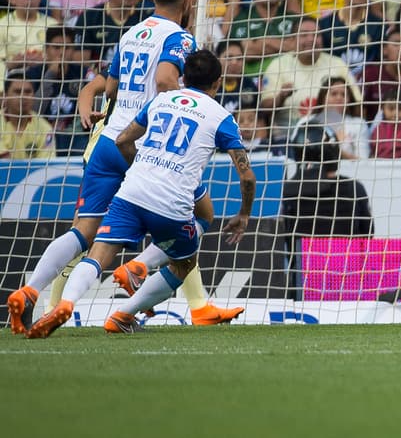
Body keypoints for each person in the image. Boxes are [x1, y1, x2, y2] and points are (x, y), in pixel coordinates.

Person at [6, 0, 242, 336]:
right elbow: (166, 80)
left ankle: (29, 289)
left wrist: (98, 97)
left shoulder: (133, 32)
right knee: (202, 215)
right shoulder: (179, 38)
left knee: (84, 232)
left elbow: (112, 87)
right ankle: (143, 278)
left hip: (108, 141)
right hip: (146, 144)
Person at [23, 49, 255, 337]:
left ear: (183, 77)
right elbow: (246, 176)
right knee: (185, 262)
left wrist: (142, 169)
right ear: (218, 83)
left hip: (131, 192)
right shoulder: (221, 117)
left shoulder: (161, 100)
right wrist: (244, 214)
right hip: (171, 202)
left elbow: (122, 139)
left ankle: (65, 303)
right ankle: (125, 308)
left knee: (97, 253)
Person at [283, 121, 374, 235]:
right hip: (345, 252)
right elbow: (367, 233)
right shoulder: (353, 189)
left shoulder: (286, 192)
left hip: (300, 252)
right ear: (334, 152)